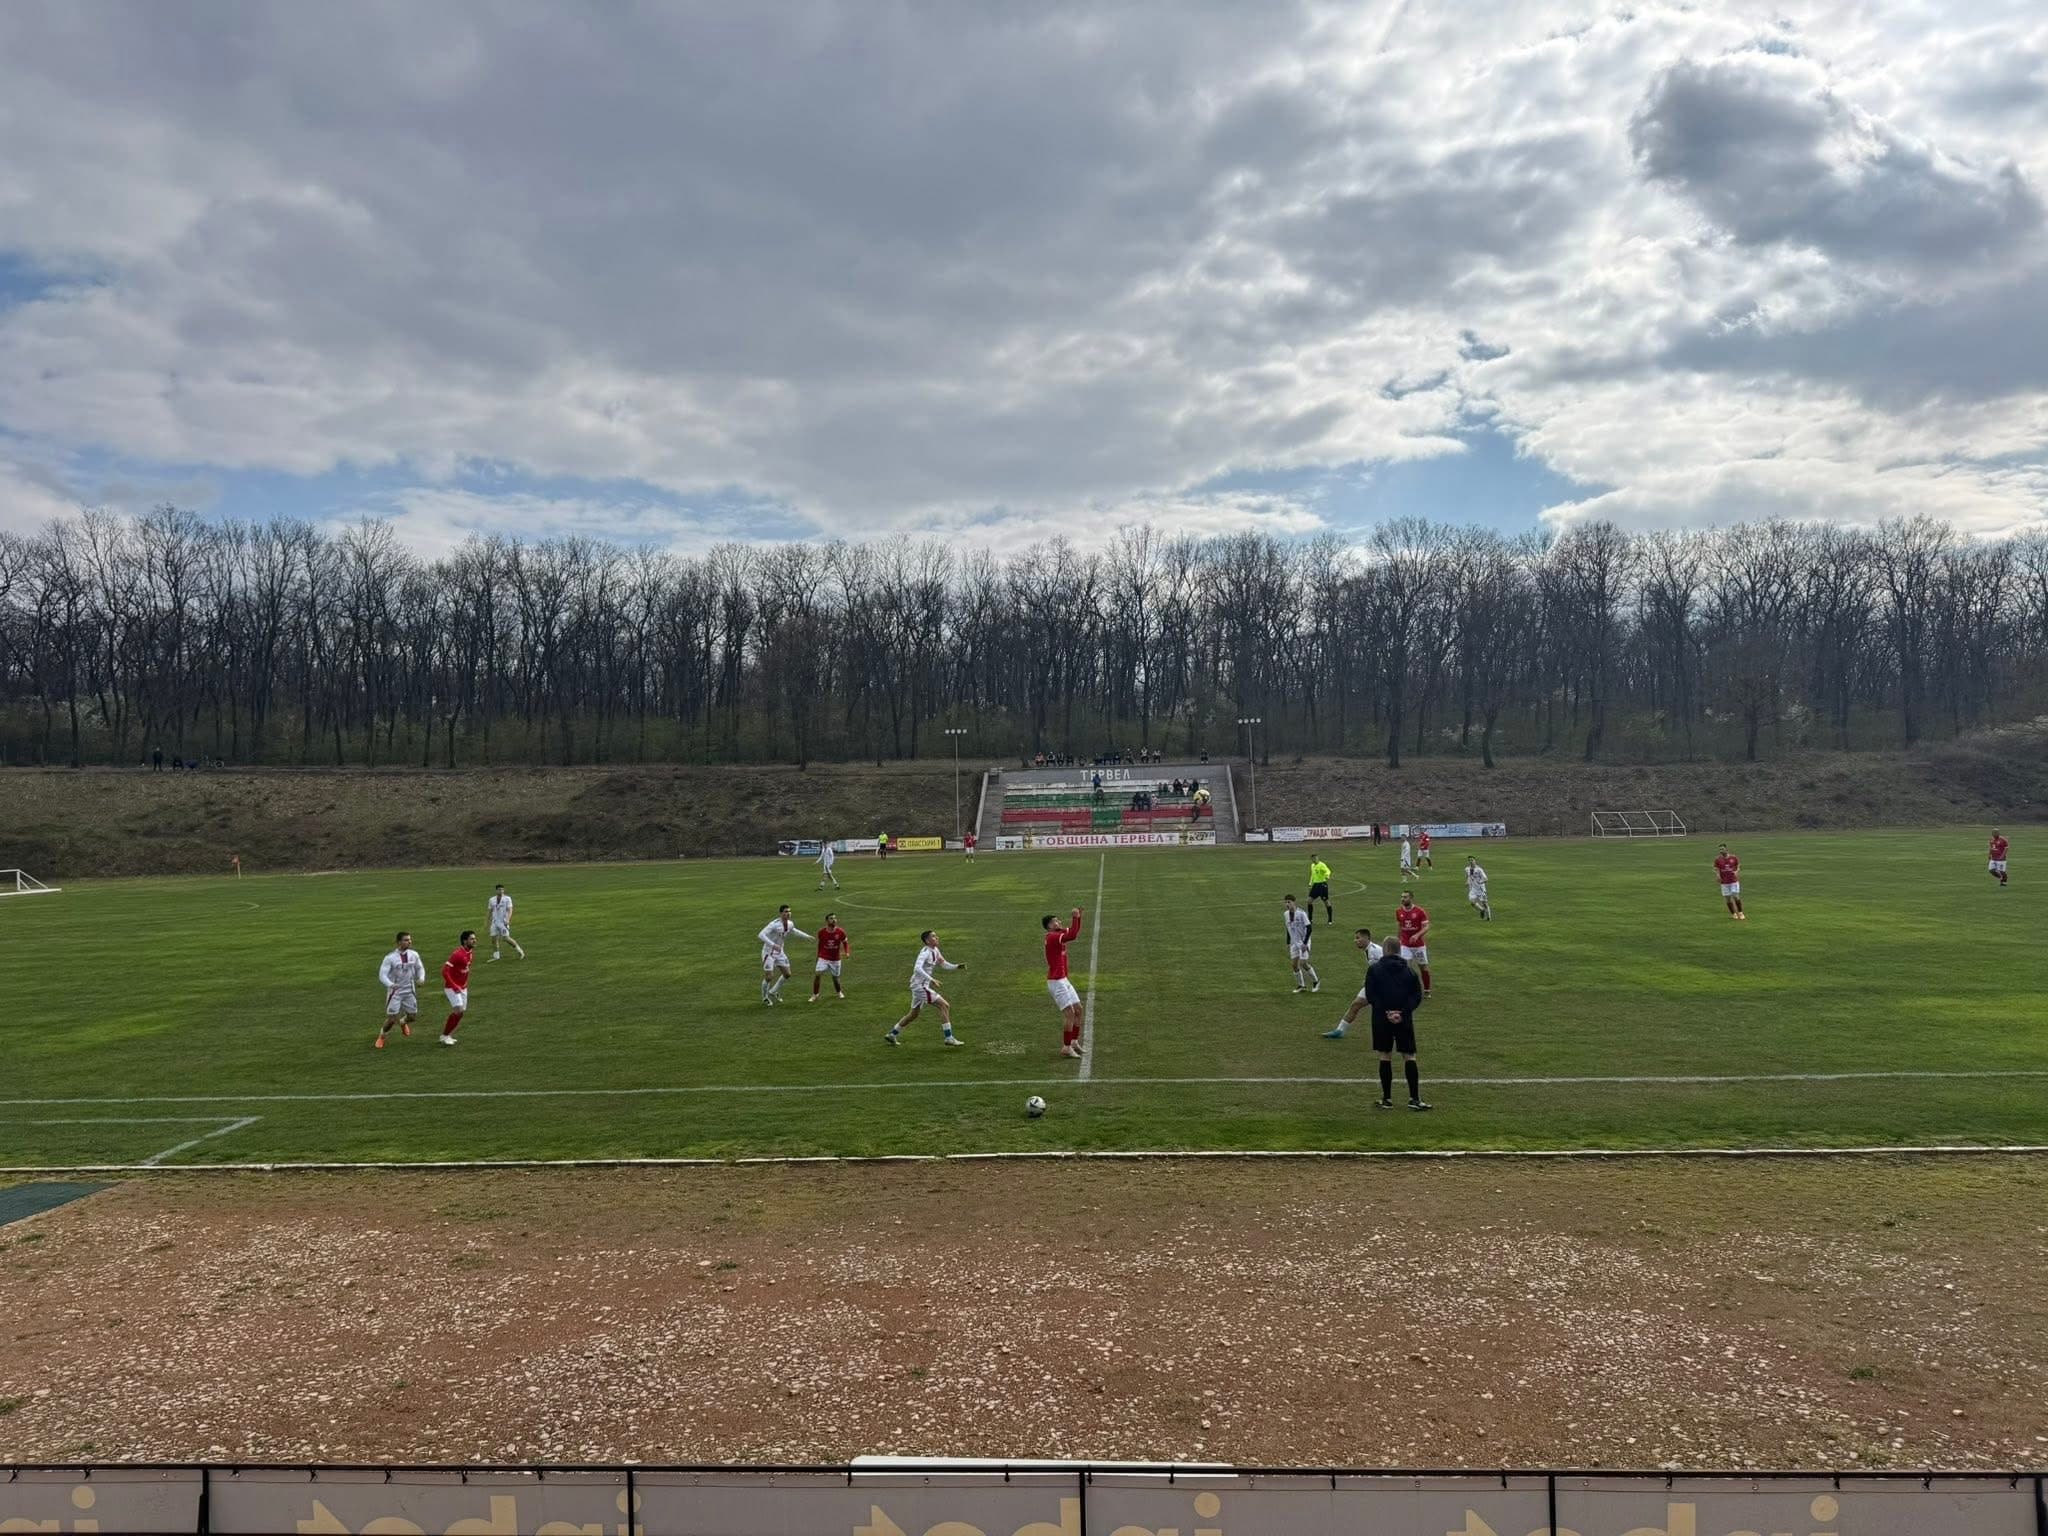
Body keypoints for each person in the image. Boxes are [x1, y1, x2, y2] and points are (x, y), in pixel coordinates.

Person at [1363, 944, 1430, 1111]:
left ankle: (1387, 1099)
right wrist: (1402, 1013)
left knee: (1385, 1055)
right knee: (1409, 1055)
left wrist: (1386, 1012)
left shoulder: (1374, 970)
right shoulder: (1409, 971)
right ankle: (1414, 1098)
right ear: (1399, 951)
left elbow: (1371, 995)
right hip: (1404, 1019)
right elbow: (1416, 995)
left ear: (1385, 950)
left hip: (1381, 1019)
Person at [884, 930, 964, 1046]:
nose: (937, 937)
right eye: (933, 936)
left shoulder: (935, 950)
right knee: (944, 1005)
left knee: (913, 1014)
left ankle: (892, 1034)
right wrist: (932, 979)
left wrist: (956, 967)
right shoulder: (925, 953)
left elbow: (943, 963)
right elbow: (917, 968)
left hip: (919, 985)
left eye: (936, 936)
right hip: (920, 986)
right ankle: (949, 1037)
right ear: (927, 941)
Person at [1322, 928, 1384, 1039]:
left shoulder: (1375, 951)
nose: (1355, 940)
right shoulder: (1369, 950)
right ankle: (1339, 1031)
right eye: (1355, 938)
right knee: (1356, 1005)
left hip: (1382, 987)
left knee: (1385, 1011)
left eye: (1358, 938)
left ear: (1367, 938)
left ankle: (1394, 1033)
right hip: (1373, 985)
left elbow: (1386, 968)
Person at [1044, 907, 1085, 1057]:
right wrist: (1075, 917)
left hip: (1063, 979)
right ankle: (1066, 1047)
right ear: (1049, 926)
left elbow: (1074, 931)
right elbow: (1073, 935)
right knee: (1070, 1014)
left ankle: (1073, 1041)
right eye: (1055, 921)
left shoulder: (1057, 933)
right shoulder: (1053, 937)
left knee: (1078, 1010)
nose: (1059, 922)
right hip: (1056, 982)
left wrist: (1078, 918)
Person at [374, 931, 426, 1049]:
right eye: (406, 940)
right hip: (395, 991)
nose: (409, 941)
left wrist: (421, 978)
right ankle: (382, 1037)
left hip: (409, 990)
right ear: (399, 942)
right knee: (392, 1019)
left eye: (410, 939)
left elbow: (420, 968)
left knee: (412, 1017)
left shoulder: (414, 954)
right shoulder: (390, 958)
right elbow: (382, 975)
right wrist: (391, 984)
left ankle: (403, 1022)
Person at [757, 905, 812, 1005]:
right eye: (786, 912)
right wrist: (773, 945)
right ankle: (765, 998)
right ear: (781, 913)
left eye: (789, 911)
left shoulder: (790, 923)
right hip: (768, 952)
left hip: (779, 952)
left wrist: (806, 936)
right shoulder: (774, 924)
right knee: (769, 977)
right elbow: (761, 934)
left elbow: (794, 931)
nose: (788, 913)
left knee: (787, 974)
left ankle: (773, 991)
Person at [440, 930, 477, 1046]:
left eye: (475, 938)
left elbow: (464, 970)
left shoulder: (470, 952)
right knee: (459, 1011)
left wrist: (463, 984)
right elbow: (444, 971)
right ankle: (445, 1036)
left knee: (461, 1013)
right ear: (465, 941)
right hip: (452, 988)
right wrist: (454, 985)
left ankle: (447, 1035)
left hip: (462, 988)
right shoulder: (457, 954)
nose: (474, 940)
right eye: (472, 939)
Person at [1394, 891, 1432, 999]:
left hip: (1419, 945)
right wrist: (1398, 939)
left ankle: (1427, 990)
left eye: (1405, 897)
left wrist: (1417, 935)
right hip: (1405, 944)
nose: (1402, 899)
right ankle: (1408, 990)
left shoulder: (1420, 911)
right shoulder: (1398, 911)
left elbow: (1426, 927)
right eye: (1401, 897)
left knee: (1423, 967)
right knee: (1406, 967)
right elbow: (1400, 926)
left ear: (1411, 898)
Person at [1283, 894, 1319, 993]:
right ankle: (1301, 986)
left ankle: (1316, 981)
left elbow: (1309, 928)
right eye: (1285, 902)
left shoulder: (1301, 913)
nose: (1287, 904)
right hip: (1294, 942)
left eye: (1289, 902)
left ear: (1294, 902)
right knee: (1294, 965)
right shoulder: (1286, 914)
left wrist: (1305, 943)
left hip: (1304, 941)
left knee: (1303, 963)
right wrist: (1288, 942)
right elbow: (1288, 928)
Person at [810, 913, 851, 1001]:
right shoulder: (821, 932)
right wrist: (818, 957)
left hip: (835, 959)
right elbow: (820, 945)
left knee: (835, 978)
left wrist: (847, 952)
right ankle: (815, 994)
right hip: (823, 957)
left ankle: (839, 992)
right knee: (817, 974)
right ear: (827, 921)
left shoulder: (840, 932)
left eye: (835, 918)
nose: (834, 920)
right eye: (831, 918)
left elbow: (845, 942)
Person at [487, 884, 524, 961]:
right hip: (494, 922)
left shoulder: (507, 899)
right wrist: (487, 921)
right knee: (494, 939)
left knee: (506, 938)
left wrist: (508, 919)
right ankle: (496, 956)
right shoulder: (491, 899)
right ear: (496, 890)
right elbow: (490, 911)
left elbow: (510, 910)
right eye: (499, 889)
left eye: (502, 889)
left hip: (503, 922)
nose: (501, 891)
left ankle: (520, 951)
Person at [1714, 844, 1745, 920]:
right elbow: (1716, 868)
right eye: (1720, 849)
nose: (1721, 851)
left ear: (1727, 849)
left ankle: (1740, 913)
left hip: (1733, 881)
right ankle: (1733, 914)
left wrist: (1737, 871)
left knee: (1735, 896)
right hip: (1724, 882)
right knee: (1728, 898)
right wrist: (1717, 875)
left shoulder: (1733, 857)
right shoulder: (1718, 859)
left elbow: (1738, 866)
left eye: (1722, 849)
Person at [1308, 856, 1335, 925]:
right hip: (1315, 885)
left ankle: (1330, 919)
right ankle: (1310, 919)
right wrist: (1310, 883)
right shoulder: (1312, 865)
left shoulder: (1322, 865)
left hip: (1322, 885)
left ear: (1317, 859)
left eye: (1316, 858)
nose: (1314, 860)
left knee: (1326, 901)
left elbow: (1328, 871)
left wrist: (1327, 875)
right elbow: (1312, 875)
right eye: (1313, 859)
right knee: (1309, 901)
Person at [1465, 856, 1492, 921]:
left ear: (1475, 861)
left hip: (1481, 889)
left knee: (1485, 903)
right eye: (1469, 860)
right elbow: (1469, 876)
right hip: (1473, 889)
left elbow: (1486, 879)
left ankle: (1489, 918)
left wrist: (1480, 882)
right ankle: (1481, 910)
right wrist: (1467, 882)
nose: (1471, 861)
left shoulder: (1479, 869)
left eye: (1472, 860)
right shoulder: (1467, 869)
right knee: (1472, 902)